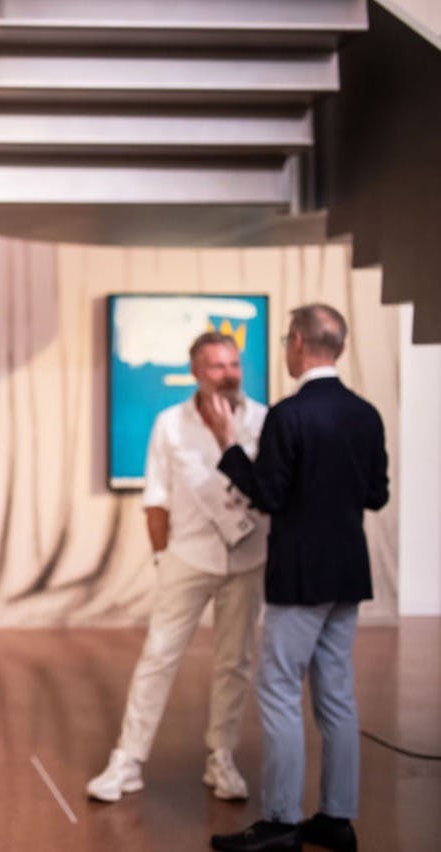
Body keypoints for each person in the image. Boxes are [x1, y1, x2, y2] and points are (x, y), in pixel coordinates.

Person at [206, 304, 388, 852]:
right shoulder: (366, 414)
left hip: (301, 577)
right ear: (340, 347)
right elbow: (376, 495)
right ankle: (337, 818)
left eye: (287, 340)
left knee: (280, 690)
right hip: (348, 572)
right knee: (337, 694)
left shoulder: (289, 415)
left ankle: (281, 822)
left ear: (300, 344)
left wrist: (229, 445)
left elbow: (268, 494)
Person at [87, 331, 268, 803]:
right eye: (217, 366)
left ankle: (221, 757)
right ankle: (128, 760)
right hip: (187, 558)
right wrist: (162, 557)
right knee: (158, 656)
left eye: (234, 364)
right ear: (195, 372)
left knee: (235, 662)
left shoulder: (264, 420)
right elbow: (156, 496)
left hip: (248, 559)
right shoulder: (170, 423)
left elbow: (270, 489)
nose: (228, 374)